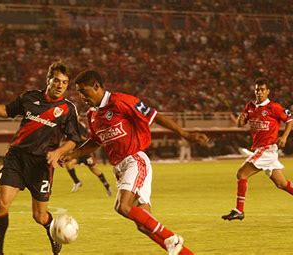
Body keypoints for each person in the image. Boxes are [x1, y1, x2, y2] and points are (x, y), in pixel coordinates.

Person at [61, 70, 209, 255]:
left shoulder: (120, 101)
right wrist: (74, 154)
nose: (81, 97)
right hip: (120, 168)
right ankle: (185, 253)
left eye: (84, 91)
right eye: (79, 93)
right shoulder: (93, 115)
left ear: (97, 86)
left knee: (122, 207)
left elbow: (155, 116)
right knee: (143, 224)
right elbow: (95, 142)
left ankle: (172, 238)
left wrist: (186, 134)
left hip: (135, 159)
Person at [0, 62, 82, 255]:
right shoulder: (29, 97)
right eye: (57, 81)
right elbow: (5, 111)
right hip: (16, 158)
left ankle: (52, 232)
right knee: (2, 203)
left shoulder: (68, 109)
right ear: (48, 80)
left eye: (65, 83)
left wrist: (58, 152)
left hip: (41, 165)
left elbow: (74, 140)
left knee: (39, 216)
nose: (60, 85)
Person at [221, 78, 293, 221]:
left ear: (268, 91)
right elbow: (240, 124)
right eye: (257, 90)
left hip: (266, 149)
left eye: (262, 90)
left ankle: (239, 211)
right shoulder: (250, 106)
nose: (259, 92)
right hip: (261, 149)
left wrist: (284, 137)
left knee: (241, 174)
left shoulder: (274, 107)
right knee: (281, 184)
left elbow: (289, 120)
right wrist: (240, 118)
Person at [64, 121, 112, 196]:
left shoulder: (80, 126)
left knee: (95, 171)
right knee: (69, 164)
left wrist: (77, 138)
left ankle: (107, 186)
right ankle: (77, 182)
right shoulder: (70, 126)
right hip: (78, 154)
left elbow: (85, 137)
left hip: (85, 153)